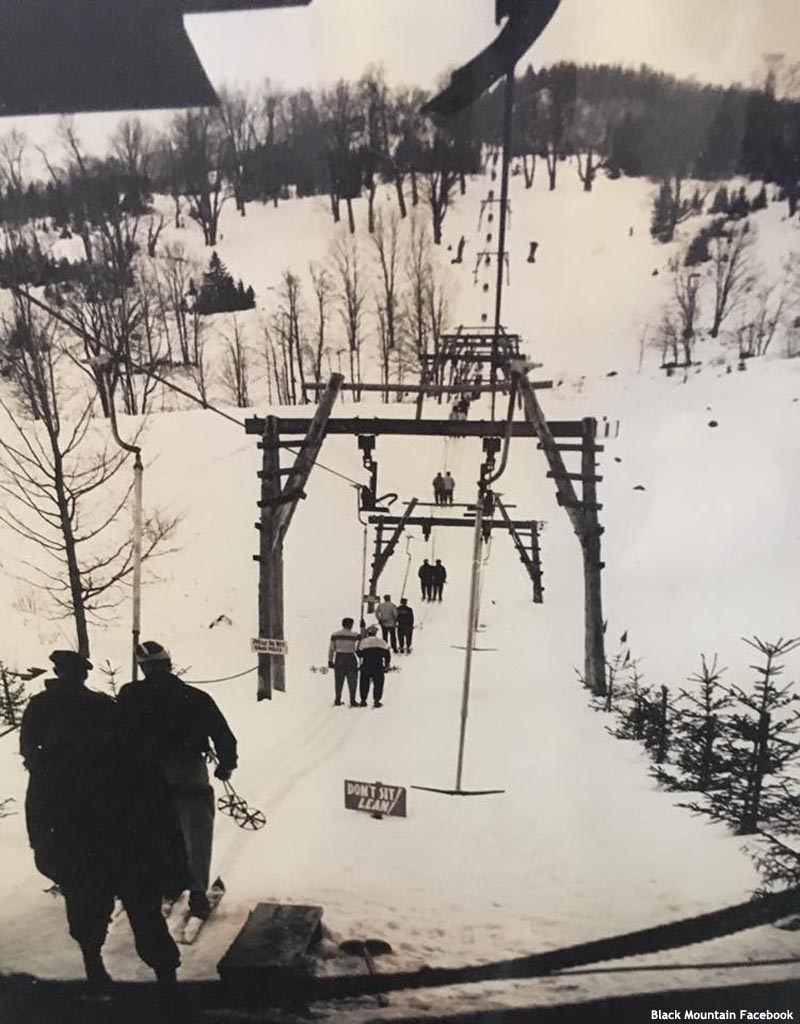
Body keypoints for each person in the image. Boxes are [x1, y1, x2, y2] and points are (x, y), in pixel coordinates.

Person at [20, 650, 185, 992]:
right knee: (143, 907)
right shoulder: (103, 708)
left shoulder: (40, 712)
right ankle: (166, 980)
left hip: (77, 836)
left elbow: (33, 772)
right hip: (120, 832)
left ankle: (95, 970)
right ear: (81, 674)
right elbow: (139, 766)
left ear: (58, 672)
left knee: (86, 907)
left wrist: (46, 847)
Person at [117, 641, 238, 924]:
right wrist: (226, 765)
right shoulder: (195, 697)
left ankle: (163, 886)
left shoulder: (129, 695)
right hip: (188, 773)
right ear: (168, 663)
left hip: (145, 779)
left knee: (154, 835)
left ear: (143, 667)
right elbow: (223, 735)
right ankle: (197, 895)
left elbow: (115, 735)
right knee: (196, 835)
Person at [328, 617, 360, 707]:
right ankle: (352, 700)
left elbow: (331, 649)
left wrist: (330, 660)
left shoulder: (335, 635)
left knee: (338, 679)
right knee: (352, 679)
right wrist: (363, 627)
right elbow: (363, 638)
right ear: (350, 625)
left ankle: (337, 699)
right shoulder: (354, 635)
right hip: (350, 657)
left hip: (339, 657)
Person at [356, 625, 391, 708]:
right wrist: (386, 664)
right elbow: (387, 654)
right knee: (378, 683)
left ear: (368, 633)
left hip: (366, 665)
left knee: (364, 683)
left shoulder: (363, 642)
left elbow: (359, 654)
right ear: (375, 633)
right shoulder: (382, 642)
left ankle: (363, 700)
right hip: (378, 665)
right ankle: (377, 700)